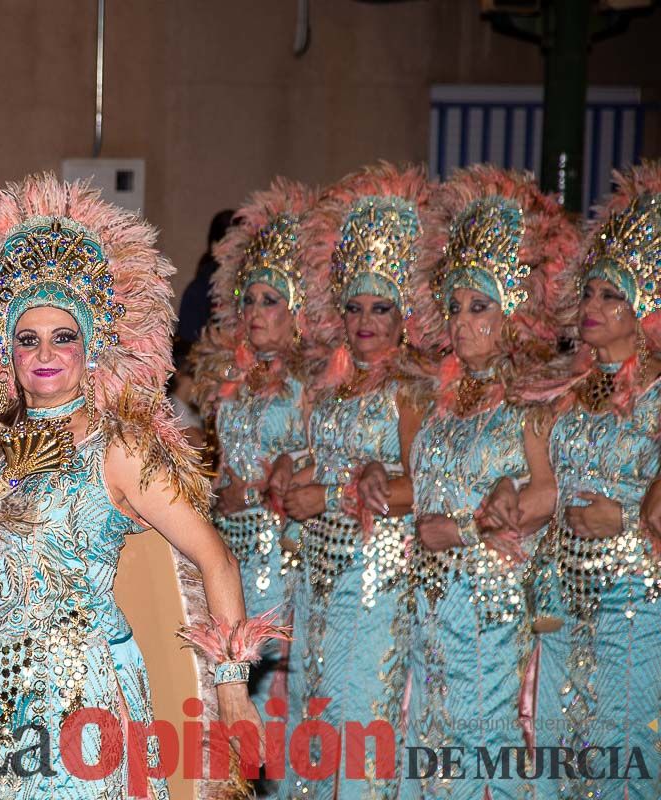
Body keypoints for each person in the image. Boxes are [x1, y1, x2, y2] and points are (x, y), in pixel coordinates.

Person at [0, 174, 284, 798]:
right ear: (5, 350)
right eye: (27, 339)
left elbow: (214, 557)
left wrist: (231, 690)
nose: (46, 354)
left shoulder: (118, 448)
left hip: (79, 707)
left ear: (92, 348)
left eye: (64, 336)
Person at [402, 166, 578, 800]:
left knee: (489, 757)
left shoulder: (531, 400)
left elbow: (550, 491)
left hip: (494, 611)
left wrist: (472, 527)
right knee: (431, 756)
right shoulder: (441, 402)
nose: (462, 321)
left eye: (480, 306)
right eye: (454, 306)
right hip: (428, 609)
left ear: (515, 312)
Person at [271, 163, 435, 800]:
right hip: (317, 574)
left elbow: (426, 486)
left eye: (381, 307)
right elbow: (324, 460)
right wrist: (291, 472)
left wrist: (339, 495)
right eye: (355, 307)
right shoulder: (331, 389)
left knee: (362, 727)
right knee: (316, 725)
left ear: (406, 314)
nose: (366, 321)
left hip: (376, 581)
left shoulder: (411, 389)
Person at [516, 161, 661, 800]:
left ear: (648, 311)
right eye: (592, 292)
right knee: (556, 762)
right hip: (562, 605)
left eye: (614, 296)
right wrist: (500, 504)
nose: (594, 306)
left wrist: (625, 521)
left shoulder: (659, 398)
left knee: (623, 763)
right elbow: (544, 490)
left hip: (635, 608)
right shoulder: (567, 396)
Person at [188, 179, 319, 723]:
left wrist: (284, 481)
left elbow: (326, 460)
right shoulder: (228, 376)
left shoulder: (314, 382)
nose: (256, 312)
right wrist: (222, 489)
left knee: (272, 696)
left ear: (299, 310)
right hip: (230, 551)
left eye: (272, 301)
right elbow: (219, 460)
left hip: (285, 555)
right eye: (249, 300)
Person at [176, 208, 235, 363]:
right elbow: (186, 352)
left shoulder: (249, 290)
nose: (238, 253)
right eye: (232, 245)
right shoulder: (198, 292)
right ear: (214, 247)